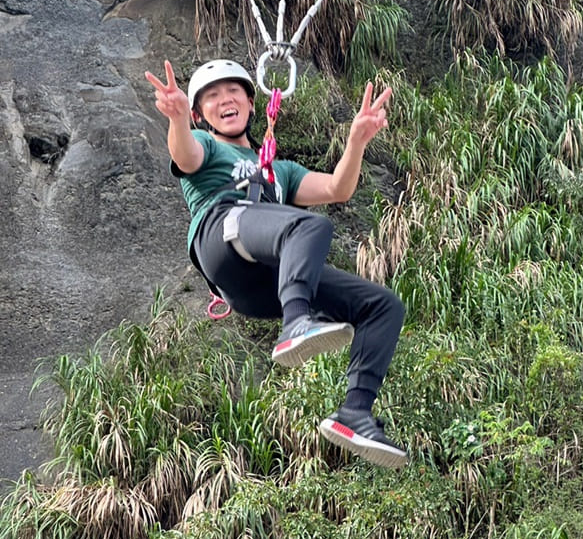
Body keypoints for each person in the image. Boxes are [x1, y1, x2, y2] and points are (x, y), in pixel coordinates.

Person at [145, 57, 407, 469]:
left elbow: (337, 188)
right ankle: (296, 322)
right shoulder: (206, 145)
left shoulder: (280, 171)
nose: (225, 100)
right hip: (221, 237)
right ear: (200, 114)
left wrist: (356, 141)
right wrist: (178, 120)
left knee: (383, 305)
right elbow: (187, 155)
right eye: (212, 97)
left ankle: (355, 411)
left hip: (262, 284)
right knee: (307, 227)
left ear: (252, 104)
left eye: (233, 92)